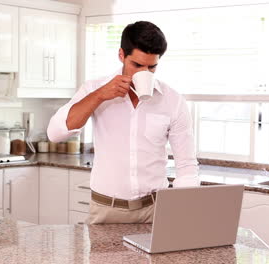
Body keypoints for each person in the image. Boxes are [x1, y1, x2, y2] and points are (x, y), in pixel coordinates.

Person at [47, 21, 199, 224]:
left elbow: (186, 164)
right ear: (121, 55)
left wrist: (186, 215)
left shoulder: (173, 100)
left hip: (154, 211)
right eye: (136, 65)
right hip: (106, 210)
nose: (144, 73)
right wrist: (100, 95)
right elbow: (55, 133)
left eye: (151, 67)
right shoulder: (94, 88)